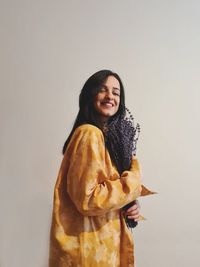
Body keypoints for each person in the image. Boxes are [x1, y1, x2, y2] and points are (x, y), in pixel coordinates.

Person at [49, 70, 154, 267]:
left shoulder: (104, 139)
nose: (110, 97)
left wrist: (130, 203)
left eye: (116, 92)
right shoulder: (89, 134)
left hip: (100, 250)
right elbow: (88, 200)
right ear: (90, 95)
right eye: (103, 90)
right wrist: (132, 182)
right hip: (90, 254)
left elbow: (104, 193)